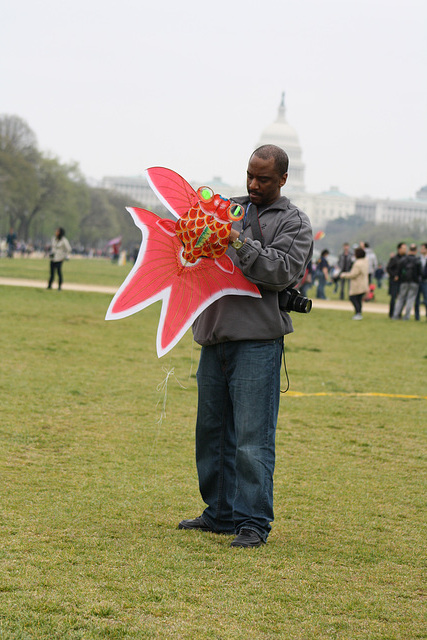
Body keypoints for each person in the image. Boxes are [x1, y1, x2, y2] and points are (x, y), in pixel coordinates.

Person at [178, 145, 313, 548]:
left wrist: (236, 241)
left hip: (257, 340)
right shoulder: (227, 208)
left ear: (283, 180)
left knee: (253, 439)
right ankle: (219, 512)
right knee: (212, 432)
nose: (254, 184)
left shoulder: (295, 222)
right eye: (250, 176)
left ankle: (253, 521)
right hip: (214, 334)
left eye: (265, 179)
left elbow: (280, 271)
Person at [392, 244, 421, 320]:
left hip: (404, 281)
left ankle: (396, 315)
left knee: (401, 298)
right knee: (410, 299)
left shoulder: (404, 259)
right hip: (414, 282)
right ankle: (406, 316)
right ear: (416, 251)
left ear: (409, 250)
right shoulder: (417, 260)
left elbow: (399, 270)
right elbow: (420, 272)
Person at [339, 247, 369, 319]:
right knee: (359, 299)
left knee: (353, 298)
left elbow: (353, 274)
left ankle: (358, 313)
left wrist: (344, 275)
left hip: (357, 284)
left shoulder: (358, 263)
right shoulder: (365, 261)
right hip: (364, 283)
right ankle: (359, 313)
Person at [386, 242, 407, 318]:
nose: (405, 250)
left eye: (405, 248)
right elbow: (388, 268)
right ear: (399, 249)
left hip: (403, 281)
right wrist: (394, 275)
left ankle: (398, 313)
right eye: (403, 248)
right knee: (393, 298)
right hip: (394, 282)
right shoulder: (394, 258)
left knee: (402, 298)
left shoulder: (406, 258)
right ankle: (391, 314)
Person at [414, 242, 427, 321]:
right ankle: (417, 317)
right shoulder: (418, 259)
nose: (421, 250)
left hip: (425, 282)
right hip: (418, 282)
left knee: (426, 300)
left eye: (423, 248)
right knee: (417, 300)